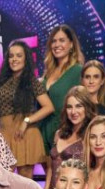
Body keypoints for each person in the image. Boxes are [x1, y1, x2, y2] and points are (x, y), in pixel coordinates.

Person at [0, 41, 54, 180]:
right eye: (11, 56)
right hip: (3, 133)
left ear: (26, 59)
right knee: (1, 180)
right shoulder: (1, 81)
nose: (14, 59)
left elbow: (48, 107)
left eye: (19, 56)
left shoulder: (31, 81)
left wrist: (27, 121)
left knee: (25, 181)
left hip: (23, 133)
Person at [40, 24, 84, 153]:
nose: (57, 44)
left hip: (65, 134)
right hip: (43, 133)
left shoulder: (78, 71)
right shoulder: (47, 73)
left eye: (62, 40)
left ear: (71, 44)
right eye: (54, 41)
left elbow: (83, 106)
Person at [45, 85, 96, 189]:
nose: (73, 112)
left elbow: (93, 171)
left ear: (87, 108)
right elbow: (51, 167)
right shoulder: (59, 133)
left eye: (78, 106)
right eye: (69, 107)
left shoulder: (91, 135)